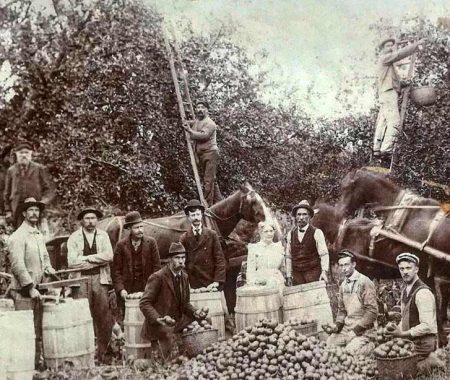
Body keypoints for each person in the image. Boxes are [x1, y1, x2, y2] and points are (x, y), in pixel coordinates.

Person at [7, 197, 56, 368]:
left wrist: (49, 268)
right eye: (31, 210)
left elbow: (44, 257)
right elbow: (17, 265)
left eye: (37, 210)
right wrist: (30, 288)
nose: (35, 213)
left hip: (39, 291)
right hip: (23, 293)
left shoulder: (38, 235)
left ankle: (36, 365)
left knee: (37, 331)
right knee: (24, 332)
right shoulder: (17, 237)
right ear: (24, 213)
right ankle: (23, 368)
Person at [140, 242, 207, 360]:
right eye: (177, 258)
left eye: (183, 257)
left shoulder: (184, 277)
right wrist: (158, 318)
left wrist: (195, 312)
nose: (181, 261)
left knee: (205, 320)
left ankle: (195, 355)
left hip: (177, 321)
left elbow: (185, 303)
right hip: (161, 324)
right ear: (170, 259)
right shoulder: (158, 277)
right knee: (166, 361)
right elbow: (144, 303)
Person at [67, 206, 114, 363]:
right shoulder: (74, 237)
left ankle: (104, 354)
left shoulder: (103, 236)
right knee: (81, 317)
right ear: (82, 221)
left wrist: (87, 259)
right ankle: (83, 356)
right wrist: (96, 261)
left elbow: (108, 256)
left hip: (100, 280)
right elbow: (72, 262)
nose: (90, 221)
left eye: (93, 218)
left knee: (103, 318)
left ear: (97, 220)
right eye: (87, 218)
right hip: (80, 282)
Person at [385, 252, 445, 372]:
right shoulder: (405, 290)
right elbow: (405, 317)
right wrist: (395, 329)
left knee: (400, 371)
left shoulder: (423, 293)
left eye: (408, 268)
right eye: (402, 269)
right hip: (412, 340)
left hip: (423, 343)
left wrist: (402, 334)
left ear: (416, 269)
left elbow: (427, 326)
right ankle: (423, 359)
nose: (405, 272)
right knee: (389, 358)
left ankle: (431, 361)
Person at [373, 38, 426, 159]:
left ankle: (376, 149)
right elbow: (399, 54)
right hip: (388, 92)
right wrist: (416, 45)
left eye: (392, 45)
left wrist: (403, 84)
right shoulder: (384, 58)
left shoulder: (387, 64)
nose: (391, 48)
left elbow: (390, 80)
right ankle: (386, 149)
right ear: (382, 49)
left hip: (385, 93)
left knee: (383, 121)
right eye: (387, 46)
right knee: (395, 121)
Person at [327, 250, 378, 356]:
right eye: (341, 265)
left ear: (354, 264)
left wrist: (355, 331)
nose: (343, 268)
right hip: (347, 328)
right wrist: (337, 326)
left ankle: (371, 345)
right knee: (329, 345)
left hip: (364, 330)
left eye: (346, 264)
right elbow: (342, 311)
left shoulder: (364, 282)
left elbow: (372, 312)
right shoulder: (343, 285)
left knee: (350, 352)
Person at [112, 211, 161, 322]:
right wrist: (121, 290)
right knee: (131, 320)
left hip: (147, 288)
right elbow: (116, 271)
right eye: (136, 228)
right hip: (128, 291)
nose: (140, 230)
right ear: (129, 229)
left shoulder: (151, 243)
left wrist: (152, 288)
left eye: (141, 227)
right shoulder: (121, 246)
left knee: (149, 318)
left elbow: (157, 269)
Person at [3, 141, 55, 227]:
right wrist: (8, 211)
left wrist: (41, 203)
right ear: (16, 154)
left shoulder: (39, 169)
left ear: (31, 154)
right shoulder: (11, 171)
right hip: (17, 211)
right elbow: (6, 193)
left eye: (26, 152)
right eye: (21, 153)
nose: (24, 155)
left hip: (36, 211)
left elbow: (49, 191)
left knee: (36, 235)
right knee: (19, 236)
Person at [179, 199, 226, 290]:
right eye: (192, 215)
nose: (196, 218)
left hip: (211, 284)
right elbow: (181, 263)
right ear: (188, 217)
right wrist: (186, 284)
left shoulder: (212, 235)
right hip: (193, 285)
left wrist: (217, 282)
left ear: (201, 215)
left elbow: (220, 259)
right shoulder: (184, 238)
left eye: (198, 214)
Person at [183, 100, 223, 206]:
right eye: (198, 107)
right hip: (202, 154)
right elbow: (193, 123)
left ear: (207, 110)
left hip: (210, 153)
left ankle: (207, 206)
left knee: (208, 181)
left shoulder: (210, 123)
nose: (200, 110)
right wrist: (186, 122)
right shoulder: (197, 121)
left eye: (202, 108)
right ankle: (220, 203)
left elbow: (203, 135)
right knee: (212, 180)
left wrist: (190, 131)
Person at [285, 200, 329, 286]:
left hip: (313, 273)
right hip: (297, 274)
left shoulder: (317, 232)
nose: (301, 217)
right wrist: (288, 275)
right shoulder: (291, 234)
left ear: (309, 217)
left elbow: (324, 254)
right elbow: (288, 256)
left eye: (304, 214)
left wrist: (324, 272)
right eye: (299, 214)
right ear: (295, 217)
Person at [246, 221, 285, 294]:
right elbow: (250, 270)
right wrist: (253, 282)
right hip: (260, 282)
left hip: (277, 281)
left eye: (271, 231)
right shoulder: (254, 248)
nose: (269, 234)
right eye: (266, 231)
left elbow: (283, 268)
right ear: (260, 233)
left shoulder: (279, 247)